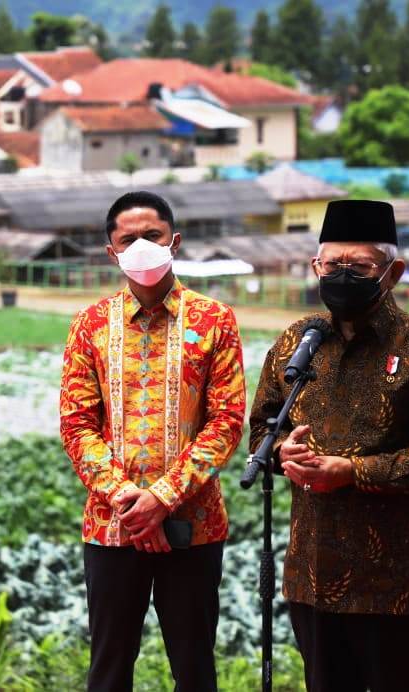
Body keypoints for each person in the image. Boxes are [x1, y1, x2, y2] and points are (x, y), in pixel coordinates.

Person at [249, 200, 409, 692]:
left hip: (395, 581)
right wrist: (284, 454)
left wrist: (351, 471)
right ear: (315, 267)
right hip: (312, 572)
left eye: (359, 266)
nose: (342, 276)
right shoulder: (297, 342)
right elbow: (262, 429)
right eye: (332, 264)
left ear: (392, 272)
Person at [59, 191, 246, 691]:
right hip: (111, 527)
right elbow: (77, 424)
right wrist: (130, 503)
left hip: (194, 526)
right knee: (109, 669)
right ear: (111, 251)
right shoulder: (89, 326)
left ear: (174, 242)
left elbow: (226, 422)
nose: (141, 245)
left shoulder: (215, 321)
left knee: (194, 669)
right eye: (129, 238)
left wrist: (162, 499)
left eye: (153, 235)